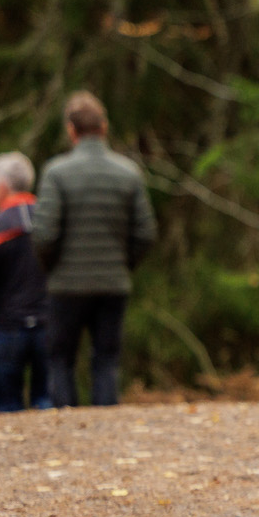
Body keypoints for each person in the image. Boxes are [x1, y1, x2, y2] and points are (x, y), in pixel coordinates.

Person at [31, 92, 158, 408]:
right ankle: (106, 425)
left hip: (66, 286)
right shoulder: (128, 173)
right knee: (106, 360)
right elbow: (145, 233)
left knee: (61, 360)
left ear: (71, 130)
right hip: (112, 284)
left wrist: (53, 268)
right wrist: (123, 264)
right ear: (104, 127)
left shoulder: (56, 173)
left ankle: (66, 423)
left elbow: (44, 234)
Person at [0, 151, 51, 412]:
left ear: (1, 186)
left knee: (8, 406)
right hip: (48, 322)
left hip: (9, 327)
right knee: (47, 402)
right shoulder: (50, 220)